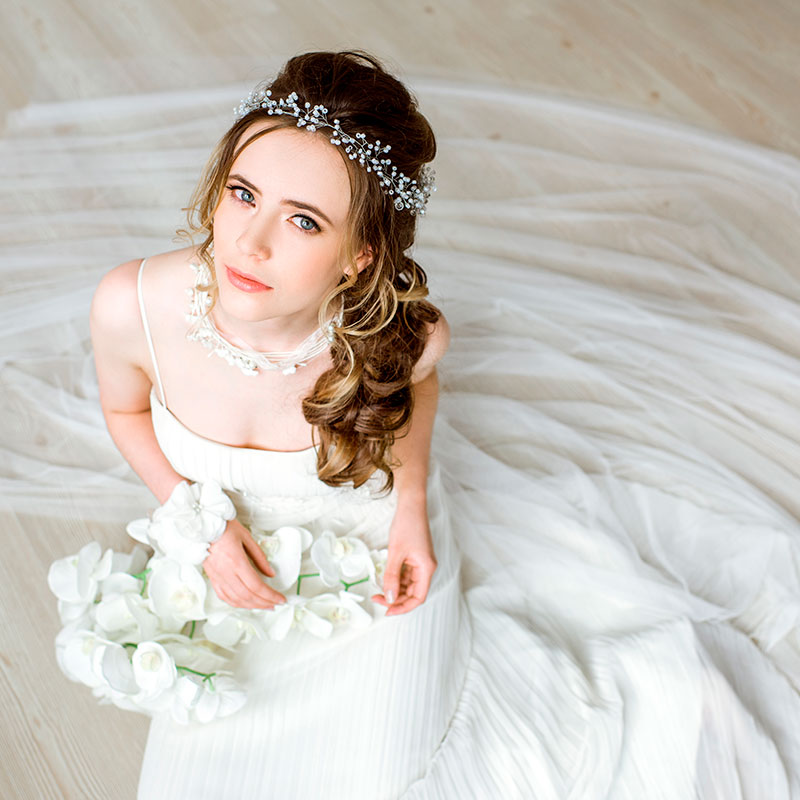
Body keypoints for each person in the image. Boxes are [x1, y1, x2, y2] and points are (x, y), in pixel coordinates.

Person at [89, 49, 473, 798]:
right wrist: (196, 522)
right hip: (224, 569)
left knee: (385, 776)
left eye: (303, 220)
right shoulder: (131, 305)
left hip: (364, 560)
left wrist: (410, 511)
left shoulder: (407, 339)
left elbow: (418, 391)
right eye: (242, 194)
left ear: (359, 257)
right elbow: (123, 408)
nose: (249, 242)